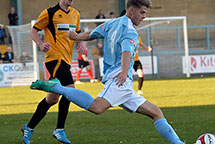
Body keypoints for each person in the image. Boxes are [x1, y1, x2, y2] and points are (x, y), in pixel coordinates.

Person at [30, 0, 185, 144]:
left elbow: (92, 34)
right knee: (97, 107)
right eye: (142, 13)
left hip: (124, 85)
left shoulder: (112, 23)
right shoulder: (130, 31)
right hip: (119, 79)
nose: (144, 17)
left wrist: (77, 37)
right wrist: (124, 72)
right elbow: (126, 52)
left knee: (156, 112)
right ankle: (56, 87)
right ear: (131, 10)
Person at [21, 0, 82, 144]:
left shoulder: (76, 14)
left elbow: (77, 34)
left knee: (52, 99)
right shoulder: (49, 12)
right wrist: (41, 44)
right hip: (54, 59)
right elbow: (34, 30)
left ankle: (28, 127)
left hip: (66, 60)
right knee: (70, 90)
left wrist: (82, 42)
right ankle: (59, 129)